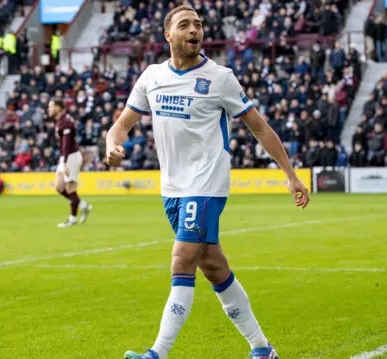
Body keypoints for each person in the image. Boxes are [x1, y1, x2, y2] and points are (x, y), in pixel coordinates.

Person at [105, 5, 310, 359]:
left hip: (206, 185)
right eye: (184, 25)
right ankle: (262, 349)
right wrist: (112, 145)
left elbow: (259, 126)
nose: (194, 30)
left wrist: (290, 175)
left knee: (182, 259)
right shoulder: (152, 77)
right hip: (173, 189)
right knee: (214, 267)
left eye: (198, 24)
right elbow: (121, 124)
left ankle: (157, 353)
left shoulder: (220, 78)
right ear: (168, 35)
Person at [47, 98, 92, 228]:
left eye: (51, 106)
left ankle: (72, 218)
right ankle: (83, 205)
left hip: (71, 156)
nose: (48, 109)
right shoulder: (61, 121)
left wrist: (65, 162)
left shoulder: (65, 122)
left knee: (70, 188)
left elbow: (67, 144)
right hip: (66, 157)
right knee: (59, 187)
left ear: (58, 108)